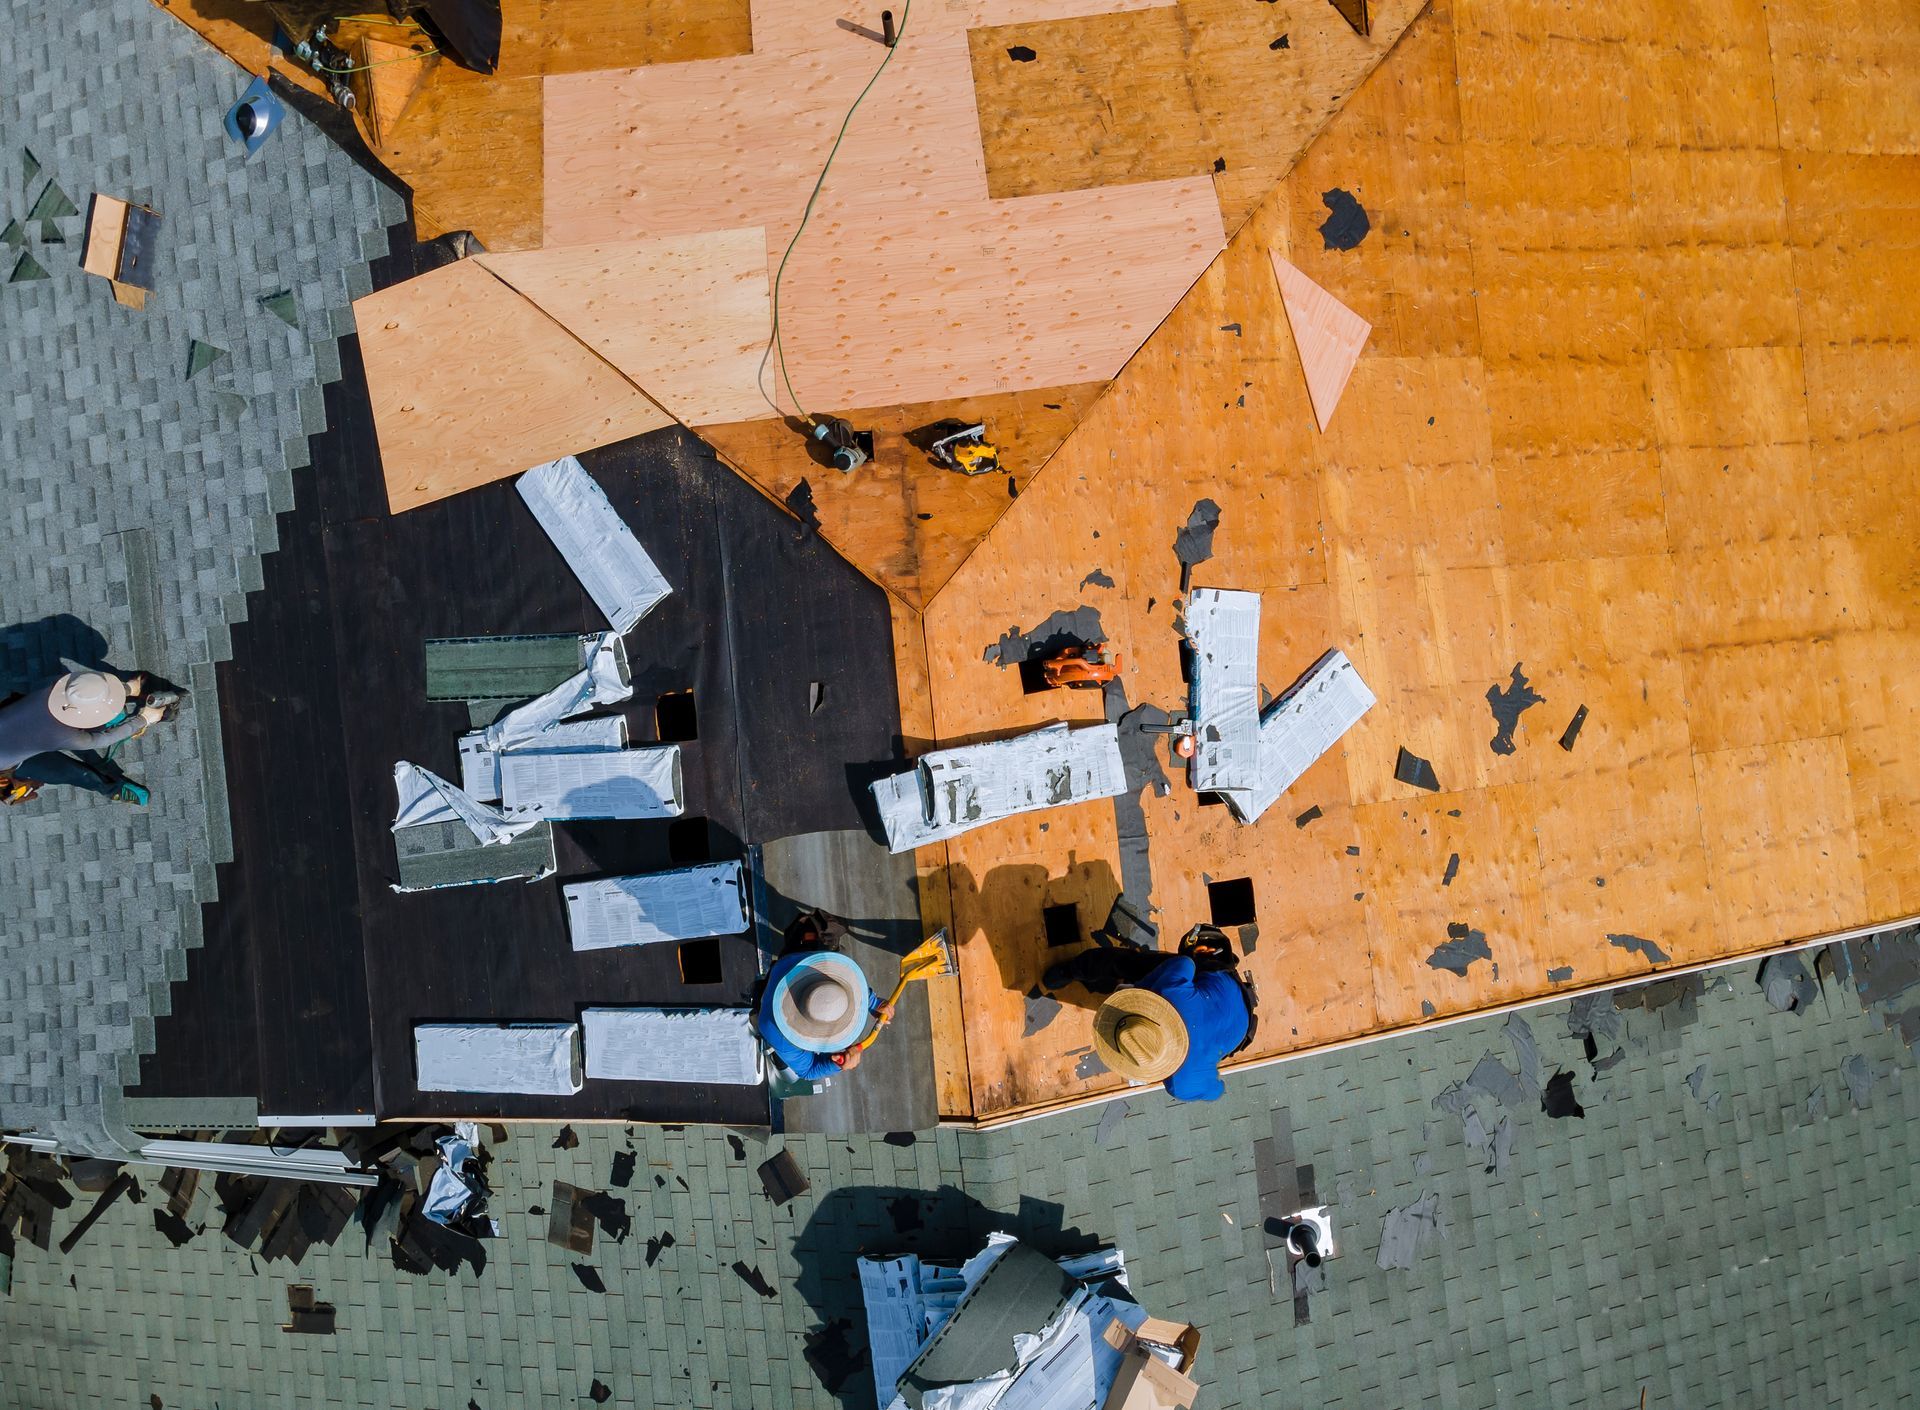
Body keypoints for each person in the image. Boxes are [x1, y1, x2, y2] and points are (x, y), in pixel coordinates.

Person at [1043, 924, 1254, 1102]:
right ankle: (1074, 969)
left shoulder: (1183, 1083)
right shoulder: (1171, 990)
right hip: (1225, 992)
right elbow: (1185, 963)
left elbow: (1218, 1090)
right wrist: (1139, 990)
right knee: (1129, 965)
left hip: (1236, 1019)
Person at [0, 670, 169, 806]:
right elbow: (103, 740)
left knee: (80, 734)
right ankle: (113, 789)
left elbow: (78, 696)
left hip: (20, 736)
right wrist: (144, 719)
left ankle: (105, 720)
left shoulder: (54, 689)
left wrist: (127, 689)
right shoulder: (64, 734)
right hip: (11, 765)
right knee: (71, 773)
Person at [755, 914, 893, 1081]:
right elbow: (808, 1071)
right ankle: (805, 924)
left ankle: (805, 924)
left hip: (790, 964)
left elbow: (851, 982)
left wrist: (874, 1002)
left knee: (822, 934)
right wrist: (837, 1064)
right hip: (784, 975)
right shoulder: (775, 1031)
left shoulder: (792, 963)